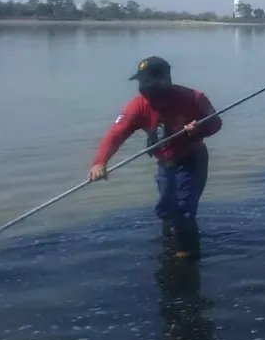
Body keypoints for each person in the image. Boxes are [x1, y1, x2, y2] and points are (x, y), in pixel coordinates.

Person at [89, 56, 222, 259]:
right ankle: (171, 244)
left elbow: (216, 123)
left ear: (166, 78)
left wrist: (198, 129)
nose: (145, 86)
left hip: (192, 159)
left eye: (150, 81)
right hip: (165, 163)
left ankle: (186, 253)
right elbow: (116, 134)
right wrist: (100, 161)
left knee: (184, 208)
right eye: (142, 81)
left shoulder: (194, 98)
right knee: (166, 209)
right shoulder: (138, 105)